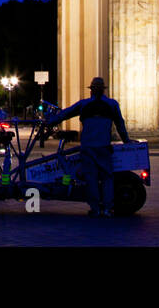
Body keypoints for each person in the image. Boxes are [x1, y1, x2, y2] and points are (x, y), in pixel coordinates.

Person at [46, 76, 132, 218]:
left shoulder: (84, 105)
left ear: (91, 90)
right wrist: (126, 140)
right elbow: (120, 124)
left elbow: (66, 113)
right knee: (107, 177)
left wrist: (50, 122)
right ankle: (107, 208)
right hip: (104, 146)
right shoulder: (112, 105)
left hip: (88, 147)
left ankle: (95, 208)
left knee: (91, 178)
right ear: (103, 90)